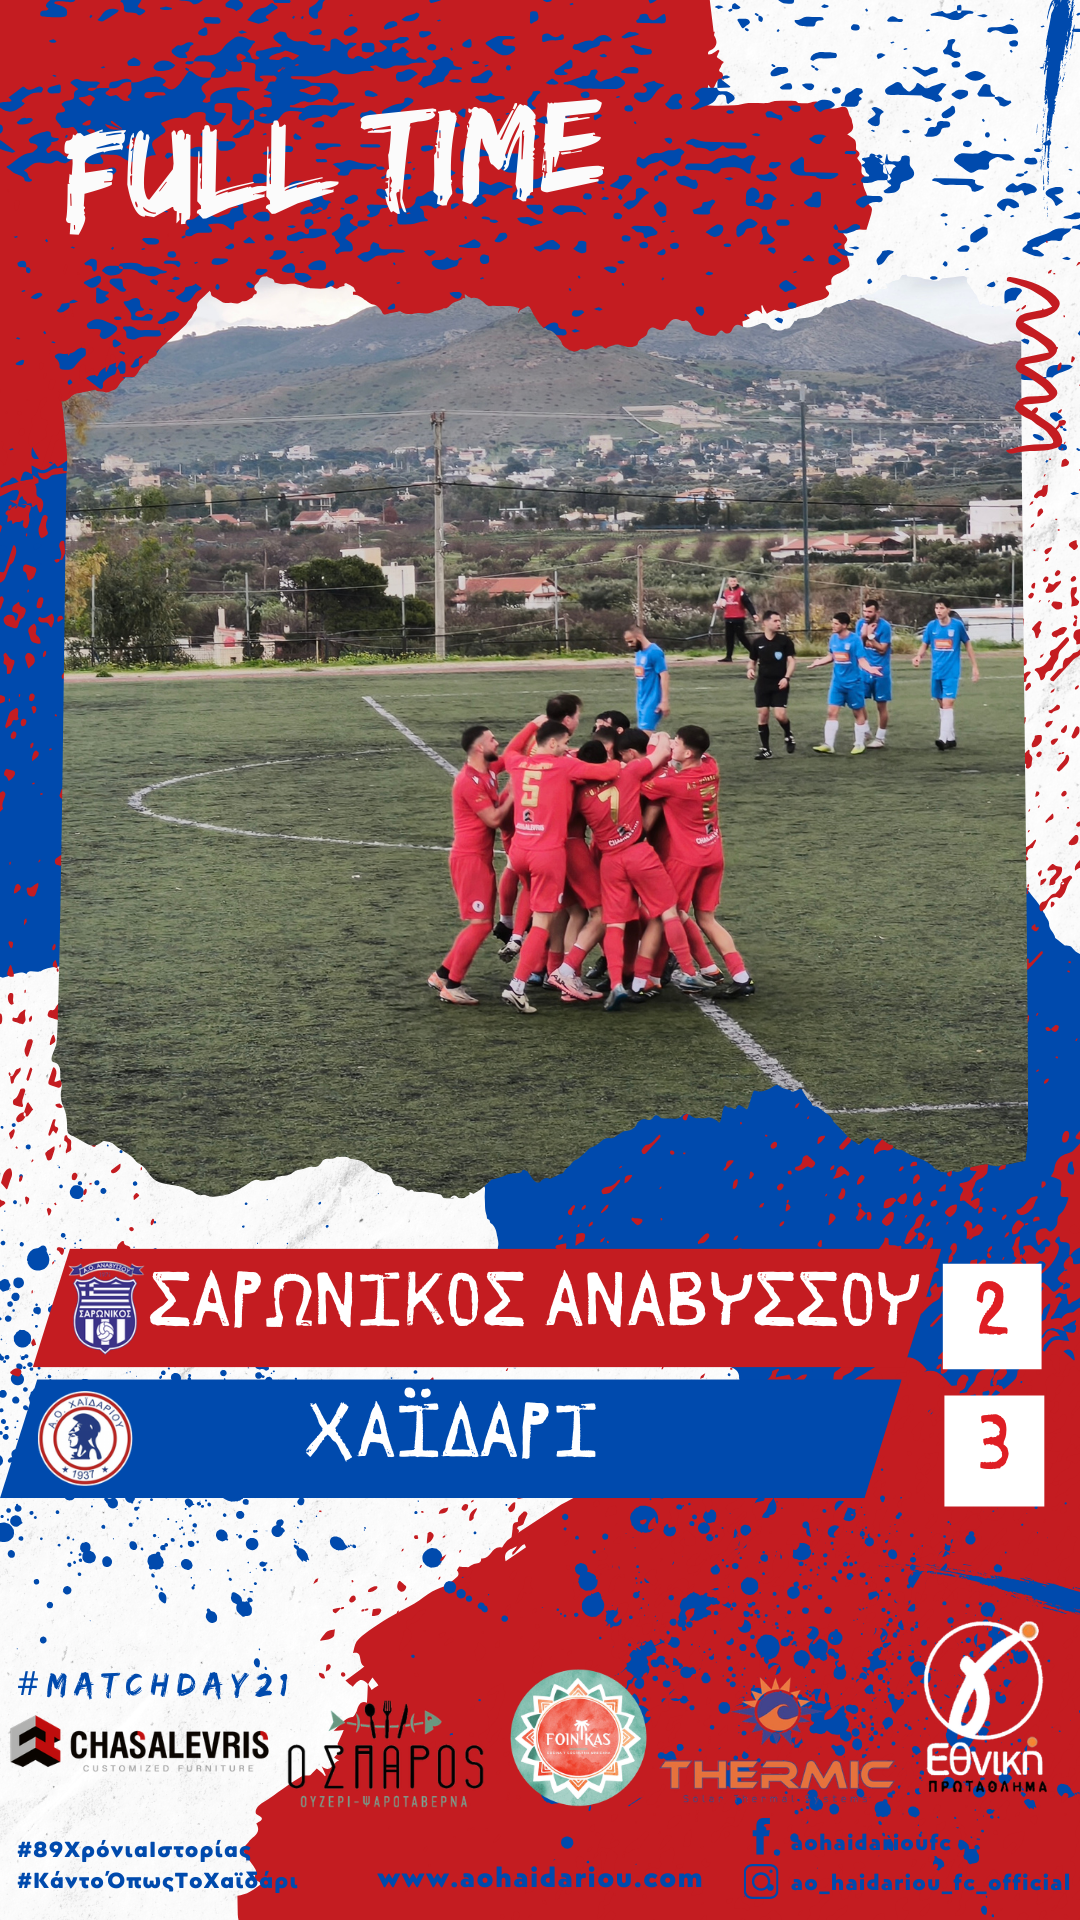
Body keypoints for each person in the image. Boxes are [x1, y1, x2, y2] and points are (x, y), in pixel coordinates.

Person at [572, 732, 716, 1011]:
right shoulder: (628, 774)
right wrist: (659, 737)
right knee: (668, 912)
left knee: (615, 924)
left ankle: (616, 984)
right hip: (639, 853)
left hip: (610, 861)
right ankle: (688, 972)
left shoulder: (580, 796)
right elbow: (660, 753)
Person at [500, 720, 605, 1014]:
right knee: (591, 914)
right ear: (554, 742)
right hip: (555, 851)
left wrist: (532, 724)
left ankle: (541, 961)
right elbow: (608, 772)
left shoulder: (521, 763)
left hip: (521, 849)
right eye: (566, 742)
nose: (568, 747)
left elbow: (511, 751)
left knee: (564, 911)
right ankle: (526, 983)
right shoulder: (566, 767)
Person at [641, 725, 753, 995]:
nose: (673, 746)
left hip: (686, 858)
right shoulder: (711, 767)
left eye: (677, 743)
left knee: (666, 916)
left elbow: (638, 782)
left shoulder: (672, 783)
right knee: (706, 918)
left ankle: (650, 978)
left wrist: (656, 746)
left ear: (689, 753)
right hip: (713, 853)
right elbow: (703, 755)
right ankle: (741, 977)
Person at [428, 724, 513, 1004]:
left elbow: (513, 755)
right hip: (470, 860)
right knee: (480, 925)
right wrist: (512, 792)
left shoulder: (487, 770)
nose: (497, 743)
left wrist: (537, 727)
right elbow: (493, 819)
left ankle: (441, 975)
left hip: (479, 859)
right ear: (479, 747)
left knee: (483, 923)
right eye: (492, 739)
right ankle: (452, 986)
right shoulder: (468, 781)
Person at [807, 612, 881, 755]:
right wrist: (818, 662)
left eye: (836, 624)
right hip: (837, 683)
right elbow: (832, 656)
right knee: (831, 712)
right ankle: (829, 745)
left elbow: (861, 660)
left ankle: (859, 744)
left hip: (854, 684)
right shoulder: (833, 639)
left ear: (845, 625)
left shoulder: (855, 640)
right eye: (833, 623)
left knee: (858, 713)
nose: (833, 626)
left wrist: (870, 669)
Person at [912, 598, 980, 749]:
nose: (938, 611)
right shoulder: (931, 626)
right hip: (937, 671)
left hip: (951, 672)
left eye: (941, 608)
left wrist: (974, 666)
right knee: (942, 704)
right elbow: (925, 644)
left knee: (948, 703)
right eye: (936, 608)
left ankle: (942, 739)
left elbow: (968, 644)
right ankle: (951, 737)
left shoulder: (957, 626)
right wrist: (918, 656)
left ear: (948, 610)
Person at [745, 610, 796, 759]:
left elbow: (791, 661)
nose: (779, 623)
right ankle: (766, 750)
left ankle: (788, 734)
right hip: (763, 684)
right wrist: (750, 669)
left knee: (780, 715)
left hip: (780, 683)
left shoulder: (785, 641)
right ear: (765, 623)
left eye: (779, 621)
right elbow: (752, 661)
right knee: (763, 714)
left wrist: (786, 678)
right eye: (775, 621)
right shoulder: (758, 643)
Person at [855, 598, 892, 747]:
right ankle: (865, 730)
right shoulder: (860, 624)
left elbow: (882, 649)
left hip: (881, 671)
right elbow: (857, 646)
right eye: (865, 611)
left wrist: (871, 636)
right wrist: (863, 635)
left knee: (881, 706)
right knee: (858, 702)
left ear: (877, 612)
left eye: (870, 611)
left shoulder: (885, 627)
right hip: (863, 670)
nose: (866, 614)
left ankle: (880, 738)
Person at [624, 627, 669, 730]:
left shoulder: (654, 652)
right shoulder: (639, 653)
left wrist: (664, 701)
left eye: (631, 641)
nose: (629, 645)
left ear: (639, 637)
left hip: (652, 701)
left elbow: (664, 676)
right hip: (641, 700)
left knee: (644, 734)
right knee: (642, 733)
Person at [715, 575, 756, 662]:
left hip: (738, 617)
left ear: (737, 582)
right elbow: (722, 603)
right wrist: (718, 605)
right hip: (728, 617)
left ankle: (754, 653)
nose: (733, 583)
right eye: (731, 581)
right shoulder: (725, 592)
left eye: (734, 581)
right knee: (729, 637)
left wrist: (753, 614)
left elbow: (748, 603)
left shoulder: (741, 591)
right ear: (728, 582)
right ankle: (728, 656)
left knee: (741, 637)